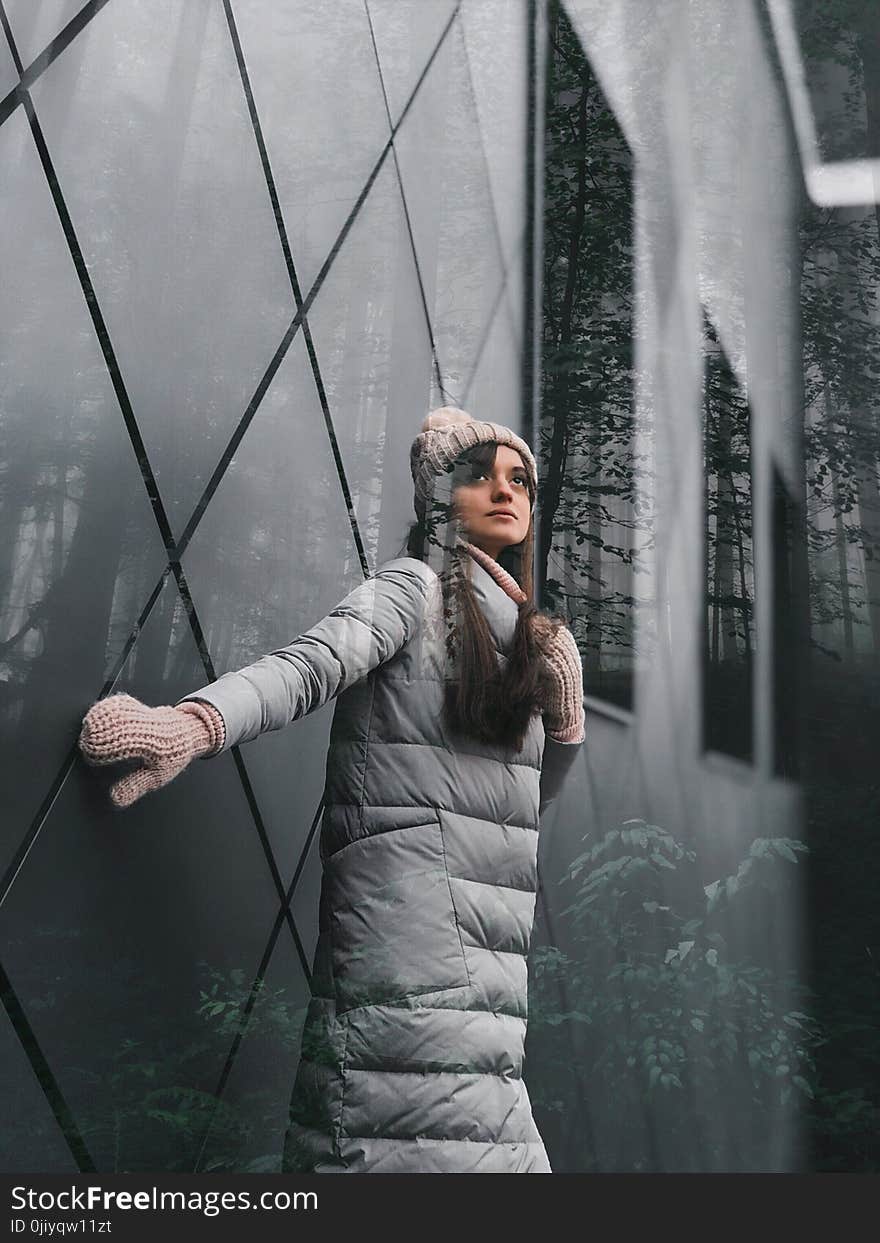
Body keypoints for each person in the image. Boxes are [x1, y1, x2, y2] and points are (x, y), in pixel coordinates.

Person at [78, 406, 585, 1173]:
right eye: (478, 474)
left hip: (492, 982)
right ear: (439, 495)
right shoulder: (412, 591)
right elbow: (307, 665)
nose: (502, 491)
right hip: (403, 960)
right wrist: (194, 724)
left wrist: (567, 718)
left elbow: (521, 811)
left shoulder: (533, 642)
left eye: (518, 479)